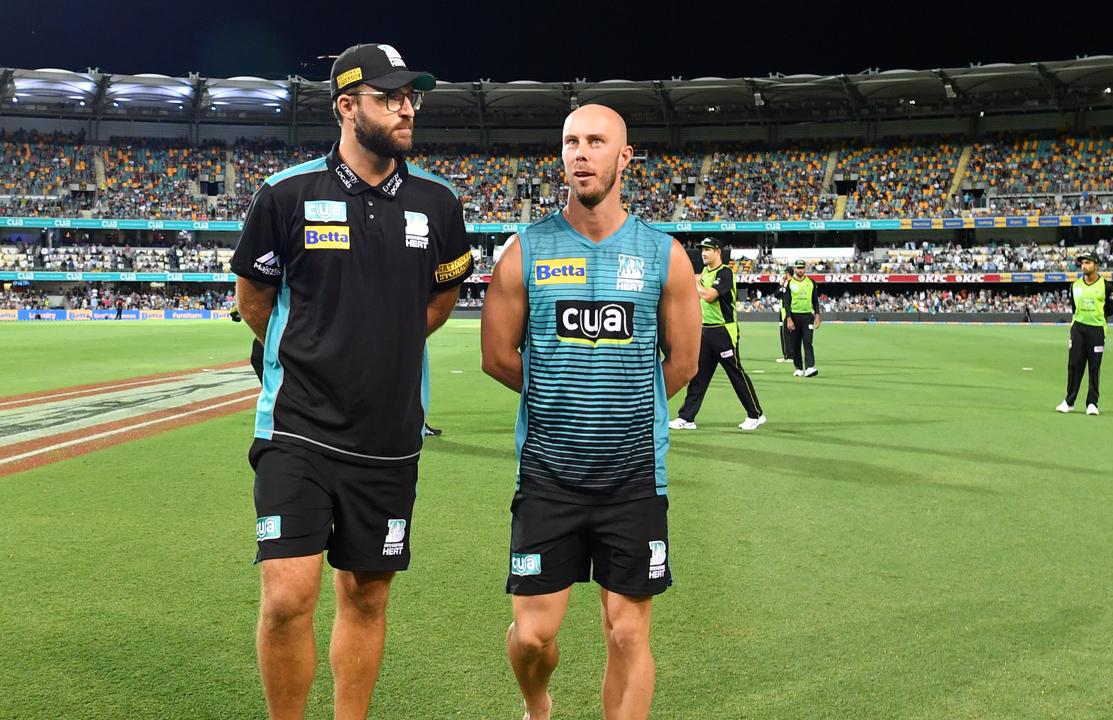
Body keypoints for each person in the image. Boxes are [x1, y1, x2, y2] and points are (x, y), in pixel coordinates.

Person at [230, 43, 472, 720]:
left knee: (367, 598)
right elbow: (255, 297)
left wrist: (382, 346)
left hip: (389, 436)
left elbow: (441, 296)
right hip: (296, 426)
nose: (406, 108)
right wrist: (310, 353)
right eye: (390, 96)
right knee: (286, 596)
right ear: (346, 106)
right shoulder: (285, 195)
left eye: (411, 98)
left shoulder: (439, 203)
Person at [480, 103, 700, 720]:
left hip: (633, 479)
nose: (581, 152)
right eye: (571, 141)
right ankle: (538, 705)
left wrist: (628, 399)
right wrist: (558, 392)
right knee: (532, 636)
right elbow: (497, 356)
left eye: (596, 141)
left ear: (624, 157)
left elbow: (682, 362)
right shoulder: (526, 251)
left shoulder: (664, 255)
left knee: (628, 632)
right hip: (548, 476)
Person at [669, 237, 765, 431]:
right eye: (702, 250)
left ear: (718, 252)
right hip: (704, 330)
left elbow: (709, 295)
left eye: (708, 250)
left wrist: (690, 281)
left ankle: (755, 414)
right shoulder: (705, 271)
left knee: (735, 374)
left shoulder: (725, 273)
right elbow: (697, 285)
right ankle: (687, 417)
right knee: (698, 376)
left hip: (723, 331)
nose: (703, 253)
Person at [1056, 251, 1113, 416]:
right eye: (1082, 263)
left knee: (1094, 367)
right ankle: (1069, 401)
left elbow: (1110, 310)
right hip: (1078, 329)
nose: (1084, 266)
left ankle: (1092, 403)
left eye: (1088, 263)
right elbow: (1074, 308)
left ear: (1096, 265)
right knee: (1074, 365)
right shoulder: (1074, 286)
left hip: (1096, 329)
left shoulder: (1106, 286)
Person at [782, 259, 821, 377]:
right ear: (795, 269)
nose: (800, 270)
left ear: (805, 269)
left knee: (808, 342)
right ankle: (798, 368)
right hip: (794, 316)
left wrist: (817, 316)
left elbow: (815, 301)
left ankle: (810, 367)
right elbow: (787, 303)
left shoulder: (811, 283)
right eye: (798, 268)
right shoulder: (790, 283)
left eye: (802, 268)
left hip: (808, 316)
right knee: (795, 343)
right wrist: (788, 318)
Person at [775, 265, 794, 362]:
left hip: (788, 310)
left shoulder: (792, 283)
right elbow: (776, 294)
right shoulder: (785, 284)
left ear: (788, 273)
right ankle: (786, 355)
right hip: (782, 310)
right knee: (783, 333)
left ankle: (790, 356)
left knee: (787, 333)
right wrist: (781, 285)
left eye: (785, 273)